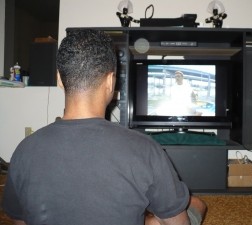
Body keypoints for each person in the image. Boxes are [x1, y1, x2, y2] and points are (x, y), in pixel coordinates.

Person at [2, 29, 206, 225]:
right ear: (110, 81)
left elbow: (21, 220)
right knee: (197, 204)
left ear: (59, 80)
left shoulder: (24, 151)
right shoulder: (144, 149)